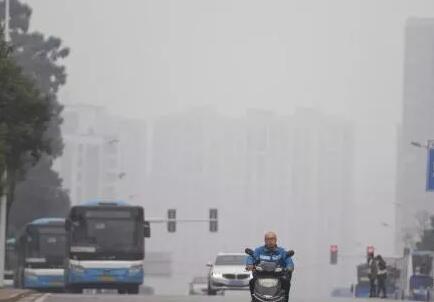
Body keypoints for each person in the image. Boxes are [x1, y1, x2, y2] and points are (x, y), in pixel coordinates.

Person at [246, 232, 294, 302]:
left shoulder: (281, 251)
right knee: (252, 282)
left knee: (286, 282)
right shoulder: (259, 251)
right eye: (267, 239)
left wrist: (289, 267)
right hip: (261, 276)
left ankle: (285, 299)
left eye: (272, 239)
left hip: (278, 276)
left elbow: (288, 260)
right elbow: (251, 257)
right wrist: (249, 264)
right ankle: (254, 299)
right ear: (265, 240)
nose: (270, 241)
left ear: (276, 240)